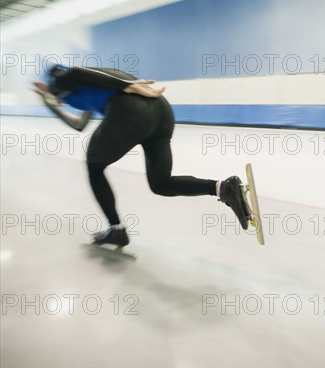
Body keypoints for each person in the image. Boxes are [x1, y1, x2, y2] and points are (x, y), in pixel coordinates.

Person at [34, 64, 250, 247]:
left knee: (94, 166)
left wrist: (127, 85)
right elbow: (79, 124)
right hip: (161, 113)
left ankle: (116, 230)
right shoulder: (86, 90)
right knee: (161, 183)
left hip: (130, 109)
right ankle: (223, 187)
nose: (60, 101)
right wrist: (50, 105)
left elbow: (75, 72)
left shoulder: (60, 81)